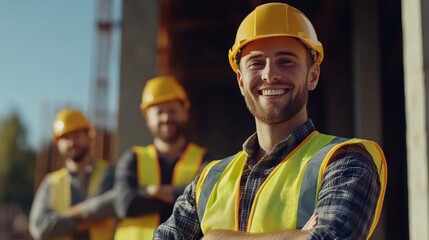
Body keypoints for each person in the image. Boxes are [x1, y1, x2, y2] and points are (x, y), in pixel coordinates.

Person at [154, 2, 388, 240]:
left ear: (313, 75)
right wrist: (296, 236)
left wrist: (217, 238)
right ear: (241, 81)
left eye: (286, 61)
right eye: (256, 63)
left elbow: (332, 237)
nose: (269, 74)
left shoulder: (344, 161)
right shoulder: (209, 181)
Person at [113, 75, 215, 240]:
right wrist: (185, 198)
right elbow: (125, 204)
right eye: (159, 112)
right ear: (147, 118)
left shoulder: (206, 160)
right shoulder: (132, 158)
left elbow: (208, 201)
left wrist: (149, 191)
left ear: (185, 111)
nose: (166, 118)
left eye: (172, 111)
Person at [29, 108, 117, 240]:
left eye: (76, 136)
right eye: (65, 138)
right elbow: (39, 227)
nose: (71, 143)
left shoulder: (109, 173)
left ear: (89, 136)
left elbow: (112, 203)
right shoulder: (51, 182)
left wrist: (72, 213)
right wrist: (84, 221)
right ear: (58, 144)